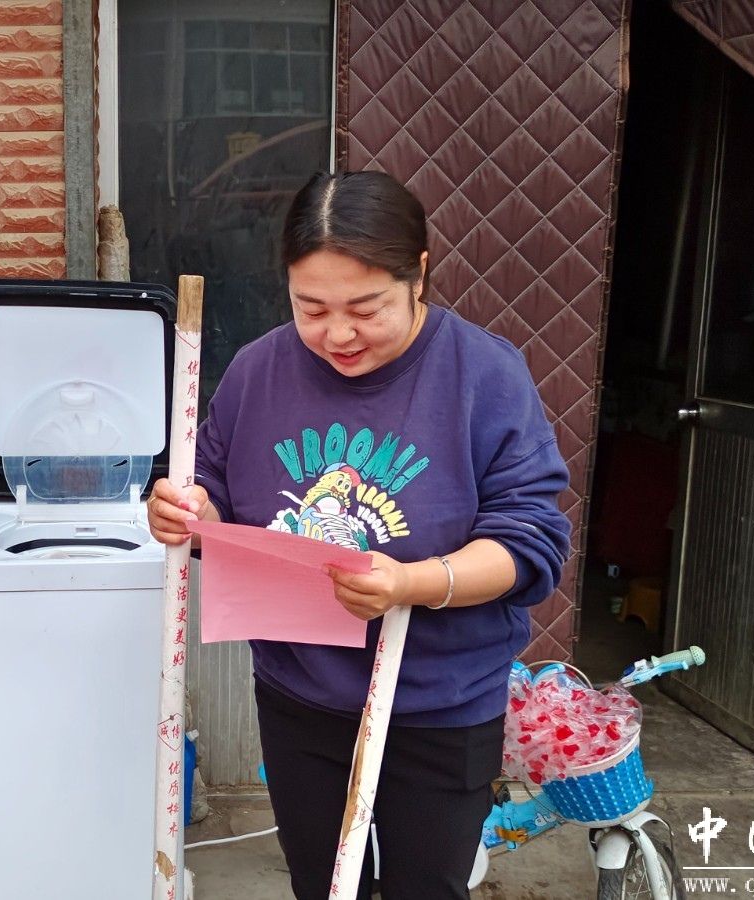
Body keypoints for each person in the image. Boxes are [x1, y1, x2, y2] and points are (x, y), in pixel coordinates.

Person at [147, 170, 571, 899]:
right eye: (310, 308)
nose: (337, 334)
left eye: (366, 308)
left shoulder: (484, 375)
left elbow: (531, 541)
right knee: (322, 885)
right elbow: (213, 497)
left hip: (440, 703)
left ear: (419, 276)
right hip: (300, 696)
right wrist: (187, 516)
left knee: (424, 889)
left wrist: (410, 583)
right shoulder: (257, 372)